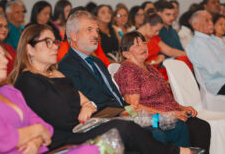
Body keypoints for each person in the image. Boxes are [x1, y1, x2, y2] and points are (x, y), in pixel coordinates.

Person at [10, 24, 192, 154]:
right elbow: (62, 118)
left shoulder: (57, 74)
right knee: (124, 128)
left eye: (55, 42)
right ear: (30, 49)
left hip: (91, 121)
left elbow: (83, 100)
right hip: (66, 135)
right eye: (47, 42)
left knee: (173, 126)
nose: (54, 47)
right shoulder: (28, 81)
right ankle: (177, 152)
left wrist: (87, 105)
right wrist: (91, 110)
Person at [114, 31, 211, 154]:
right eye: (137, 45)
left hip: (170, 112)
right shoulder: (128, 70)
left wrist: (182, 107)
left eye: (144, 43)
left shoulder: (149, 68)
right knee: (184, 127)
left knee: (202, 127)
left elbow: (165, 96)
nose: (143, 46)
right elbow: (133, 107)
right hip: (154, 118)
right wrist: (168, 114)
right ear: (126, 53)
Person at [0, 38, 53, 153]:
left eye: (4, 55)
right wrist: (37, 130)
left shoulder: (10, 92)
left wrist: (36, 143)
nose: (6, 61)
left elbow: (46, 127)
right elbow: (2, 139)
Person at [187, 10, 225, 97]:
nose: (211, 23)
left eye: (211, 20)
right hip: (220, 82)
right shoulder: (198, 43)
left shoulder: (212, 39)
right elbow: (217, 68)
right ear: (195, 25)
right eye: (206, 20)